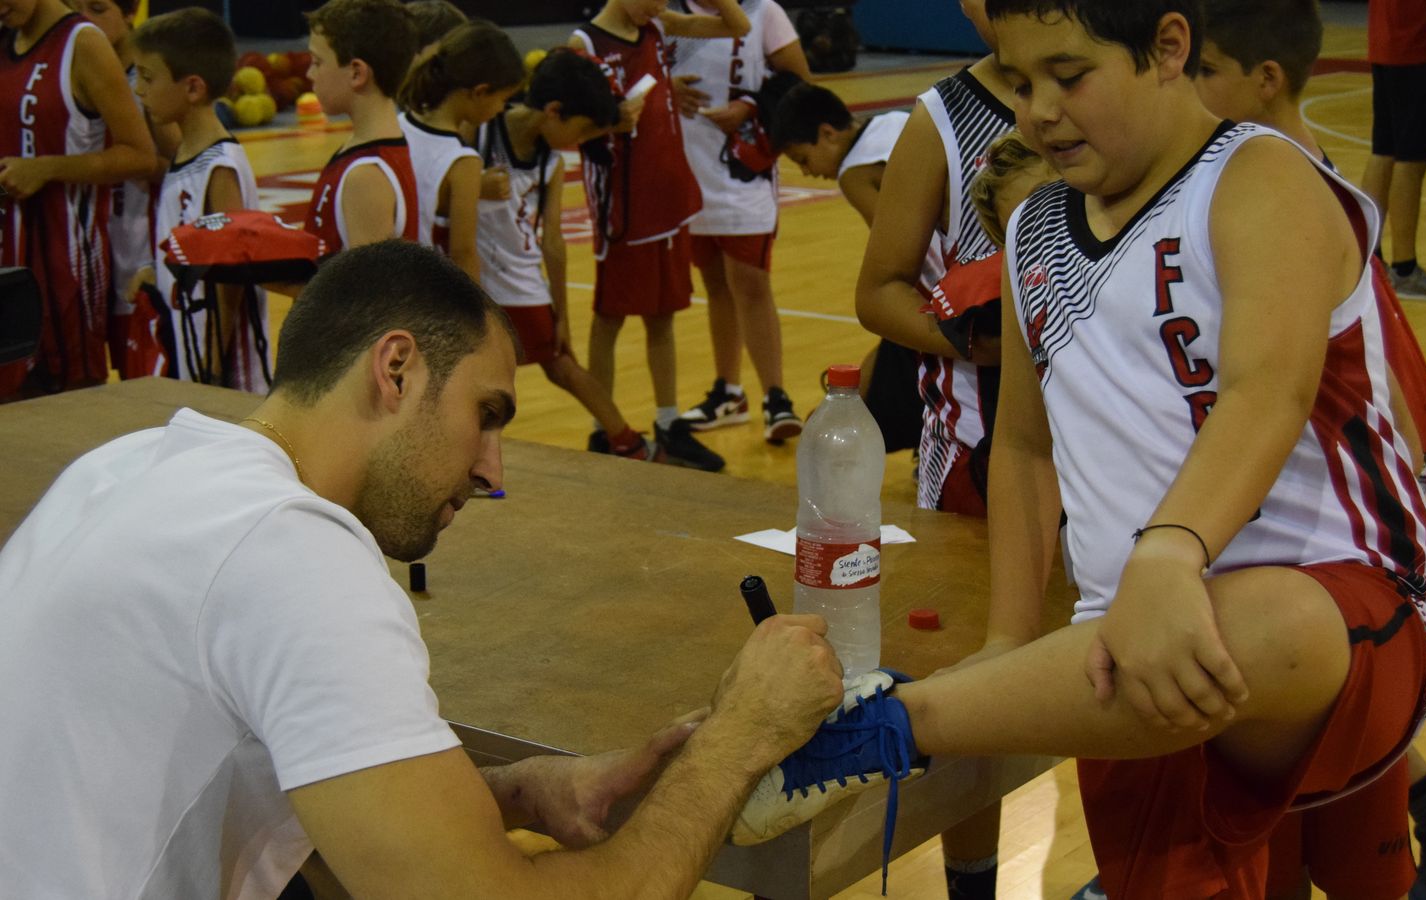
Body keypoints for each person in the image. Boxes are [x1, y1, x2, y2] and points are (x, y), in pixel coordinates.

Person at [742, 3, 1426, 898]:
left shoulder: (1260, 175)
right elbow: (1027, 449)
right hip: (1121, 655)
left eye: (1069, 76)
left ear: (1167, 47)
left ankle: (879, 732)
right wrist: (1006, 637)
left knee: (1257, 622)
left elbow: (1269, 389)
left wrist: (1170, 551)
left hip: (1339, 616)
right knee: (1144, 690)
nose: (1037, 109)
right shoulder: (1036, 223)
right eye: (1020, 79)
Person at [0, 239, 847, 899]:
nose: (493, 471)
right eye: (486, 416)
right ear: (396, 368)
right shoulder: (291, 550)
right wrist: (739, 738)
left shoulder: (131, 465)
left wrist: (507, 794)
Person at [1182, 3, 1426, 897]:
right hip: (1347, 474)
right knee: (1300, 721)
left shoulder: (1277, 185)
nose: (1183, 89)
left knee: (1310, 708)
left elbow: (1297, 377)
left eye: (1202, 70)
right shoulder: (1262, 172)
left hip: (1355, 497)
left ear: (1264, 78)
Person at [570, 0, 751, 472]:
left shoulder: (655, 25)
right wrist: (612, 120)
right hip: (624, 203)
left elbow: (737, 24)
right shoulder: (585, 44)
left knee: (664, 314)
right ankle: (603, 427)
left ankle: (668, 425)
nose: (659, 4)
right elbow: (568, 125)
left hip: (669, 191)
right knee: (609, 316)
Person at [855, 0, 1013, 526]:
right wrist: (975, 341)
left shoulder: (1123, 99)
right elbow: (879, 292)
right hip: (980, 443)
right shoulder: (942, 118)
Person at [474, 48, 659, 460]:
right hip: (477, 275)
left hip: (520, 278)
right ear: (554, 111)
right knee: (488, 374)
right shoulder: (480, 132)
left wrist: (562, 314)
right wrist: (473, 186)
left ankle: (626, 439)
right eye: (581, 129)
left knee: (560, 363)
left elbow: (553, 243)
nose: (581, 141)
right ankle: (625, 438)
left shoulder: (551, 161)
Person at [669, 0, 810, 445]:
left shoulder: (763, 11)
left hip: (740, 173)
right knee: (714, 285)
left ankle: (775, 395)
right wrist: (666, 88)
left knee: (751, 284)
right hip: (686, 171)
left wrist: (750, 105)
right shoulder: (666, 12)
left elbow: (799, 83)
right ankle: (728, 391)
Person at [0, 0, 157, 397]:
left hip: (65, 263)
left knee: (66, 402)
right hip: (9, 257)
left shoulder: (83, 43)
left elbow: (139, 155)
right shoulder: (6, 37)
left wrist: (47, 168)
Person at [772, 80, 932, 457]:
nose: (808, 173)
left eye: (802, 159)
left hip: (947, 280)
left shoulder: (854, 172)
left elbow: (897, 252)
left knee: (900, 346)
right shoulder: (894, 122)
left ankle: (840, 432)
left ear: (827, 133)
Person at [126, 8, 270, 392]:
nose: (139, 89)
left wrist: (211, 364)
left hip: (222, 365)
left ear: (192, 88)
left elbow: (231, 279)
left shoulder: (220, 167)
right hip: (188, 339)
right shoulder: (185, 152)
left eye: (148, 77)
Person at [69, 0, 180, 379]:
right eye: (76, 8)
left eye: (98, 9)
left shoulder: (148, 78)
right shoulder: (73, 68)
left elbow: (183, 167)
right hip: (90, 248)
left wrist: (136, 163)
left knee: (144, 377)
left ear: (131, 12)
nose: (85, 20)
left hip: (139, 248)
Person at [1356, 0, 1426, 302]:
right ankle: (1405, 269)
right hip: (1422, 49)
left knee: (1385, 150)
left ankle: (1369, 258)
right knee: (1411, 159)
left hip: (1387, 44)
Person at [397, 18, 523, 284]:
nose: (502, 109)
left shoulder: (396, 126)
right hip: (423, 293)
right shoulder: (463, 162)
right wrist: (475, 320)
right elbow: (463, 254)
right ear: (480, 92)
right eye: (502, 99)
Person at [303, 0, 420, 256]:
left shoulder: (366, 176)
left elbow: (369, 294)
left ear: (357, 73)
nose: (309, 73)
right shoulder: (365, 152)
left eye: (317, 62)